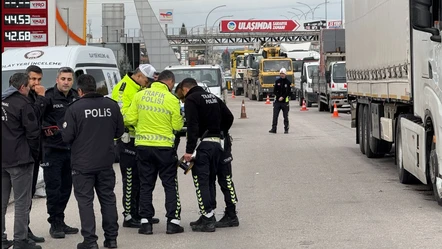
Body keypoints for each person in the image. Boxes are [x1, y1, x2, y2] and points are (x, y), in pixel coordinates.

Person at [62, 74, 124, 249]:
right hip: (105, 162)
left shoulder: (74, 108)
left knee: (85, 202)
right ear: (95, 88)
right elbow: (119, 131)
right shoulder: (111, 106)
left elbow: (67, 137)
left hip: (82, 165)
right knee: (108, 200)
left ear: (80, 91)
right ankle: (111, 239)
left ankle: (90, 241)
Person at [124, 70, 184, 235]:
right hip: (165, 149)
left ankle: (146, 223)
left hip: (143, 147)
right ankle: (172, 223)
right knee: (169, 185)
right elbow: (178, 126)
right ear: (170, 82)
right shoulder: (172, 99)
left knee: (145, 185)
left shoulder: (140, 95)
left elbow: (128, 119)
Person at [111, 64, 160, 228]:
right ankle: (129, 215)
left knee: (143, 178)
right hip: (128, 140)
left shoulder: (139, 87)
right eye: (146, 80)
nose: (147, 84)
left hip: (140, 139)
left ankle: (142, 212)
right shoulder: (124, 88)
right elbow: (121, 114)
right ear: (139, 76)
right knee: (131, 179)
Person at [180, 78, 225, 233]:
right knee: (211, 179)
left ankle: (207, 219)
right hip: (217, 144)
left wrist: (189, 150)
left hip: (202, 145)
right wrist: (220, 132)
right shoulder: (213, 97)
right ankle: (209, 214)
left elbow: (192, 125)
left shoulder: (191, 99)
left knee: (201, 182)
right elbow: (229, 117)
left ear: (186, 89)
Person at [2, 73, 42, 249]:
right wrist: (34, 154)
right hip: (20, 159)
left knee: (2, 202)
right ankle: (20, 240)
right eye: (28, 85)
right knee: (21, 202)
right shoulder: (23, 103)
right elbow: (33, 133)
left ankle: (2, 240)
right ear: (22, 87)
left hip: (3, 158)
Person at [41, 66, 79, 239]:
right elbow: (37, 118)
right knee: (54, 188)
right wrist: (46, 130)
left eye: (69, 79)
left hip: (70, 150)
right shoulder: (49, 97)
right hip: (52, 150)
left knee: (66, 188)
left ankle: (61, 219)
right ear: (57, 80)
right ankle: (54, 223)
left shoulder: (75, 97)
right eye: (63, 79)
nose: (66, 82)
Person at [24, 65, 47, 243]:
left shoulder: (33, 96)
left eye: (39, 79)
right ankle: (22, 233)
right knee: (23, 197)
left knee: (29, 194)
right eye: (33, 79)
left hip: (35, 151)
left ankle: (25, 229)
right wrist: (41, 98)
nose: (36, 83)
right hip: (23, 153)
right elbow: (33, 119)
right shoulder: (25, 98)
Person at [269, 68, 291, 134]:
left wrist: (283, 97)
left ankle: (286, 129)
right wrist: (279, 97)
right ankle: (274, 129)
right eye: (281, 74)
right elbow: (274, 91)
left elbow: (288, 92)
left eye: (283, 74)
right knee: (275, 116)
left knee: (285, 117)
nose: (282, 75)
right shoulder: (277, 81)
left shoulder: (288, 82)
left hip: (285, 102)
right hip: (277, 102)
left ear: (285, 74)